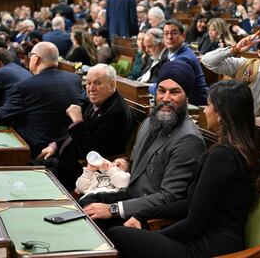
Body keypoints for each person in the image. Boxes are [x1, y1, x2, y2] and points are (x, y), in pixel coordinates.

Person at [107, 79, 260, 258]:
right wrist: (144, 215)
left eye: (208, 105)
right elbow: (192, 203)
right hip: (205, 239)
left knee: (117, 235)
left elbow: (194, 225)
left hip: (210, 246)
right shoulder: (232, 151)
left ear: (220, 114)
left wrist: (151, 236)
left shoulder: (222, 156)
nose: (205, 110)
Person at [83, 60, 205, 232]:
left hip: (147, 215)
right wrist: (126, 163)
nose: (166, 98)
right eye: (162, 91)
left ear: (187, 97)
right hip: (129, 193)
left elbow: (168, 197)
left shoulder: (189, 140)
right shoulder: (149, 122)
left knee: (93, 223)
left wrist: (114, 209)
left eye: (175, 92)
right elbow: (144, 164)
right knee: (86, 204)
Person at [36, 64, 133, 192]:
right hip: (64, 160)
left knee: (30, 171)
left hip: (78, 172)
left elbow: (91, 153)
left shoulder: (117, 113)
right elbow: (79, 135)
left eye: (97, 83)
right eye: (88, 83)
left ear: (111, 84)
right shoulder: (101, 101)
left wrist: (77, 121)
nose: (91, 88)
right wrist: (55, 145)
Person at [0, 42, 84, 157]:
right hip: (66, 146)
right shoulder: (74, 79)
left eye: (30, 55)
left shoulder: (25, 86)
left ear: (36, 59)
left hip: (36, 152)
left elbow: (1, 117)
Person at [202, 29, 260, 124]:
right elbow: (207, 61)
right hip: (232, 125)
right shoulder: (243, 65)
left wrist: (250, 122)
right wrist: (235, 49)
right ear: (259, 52)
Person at [159, 19, 209, 106]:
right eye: (166, 33)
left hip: (197, 107)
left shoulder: (184, 58)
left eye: (174, 33)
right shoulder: (169, 53)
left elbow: (167, 87)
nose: (170, 37)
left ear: (183, 35)